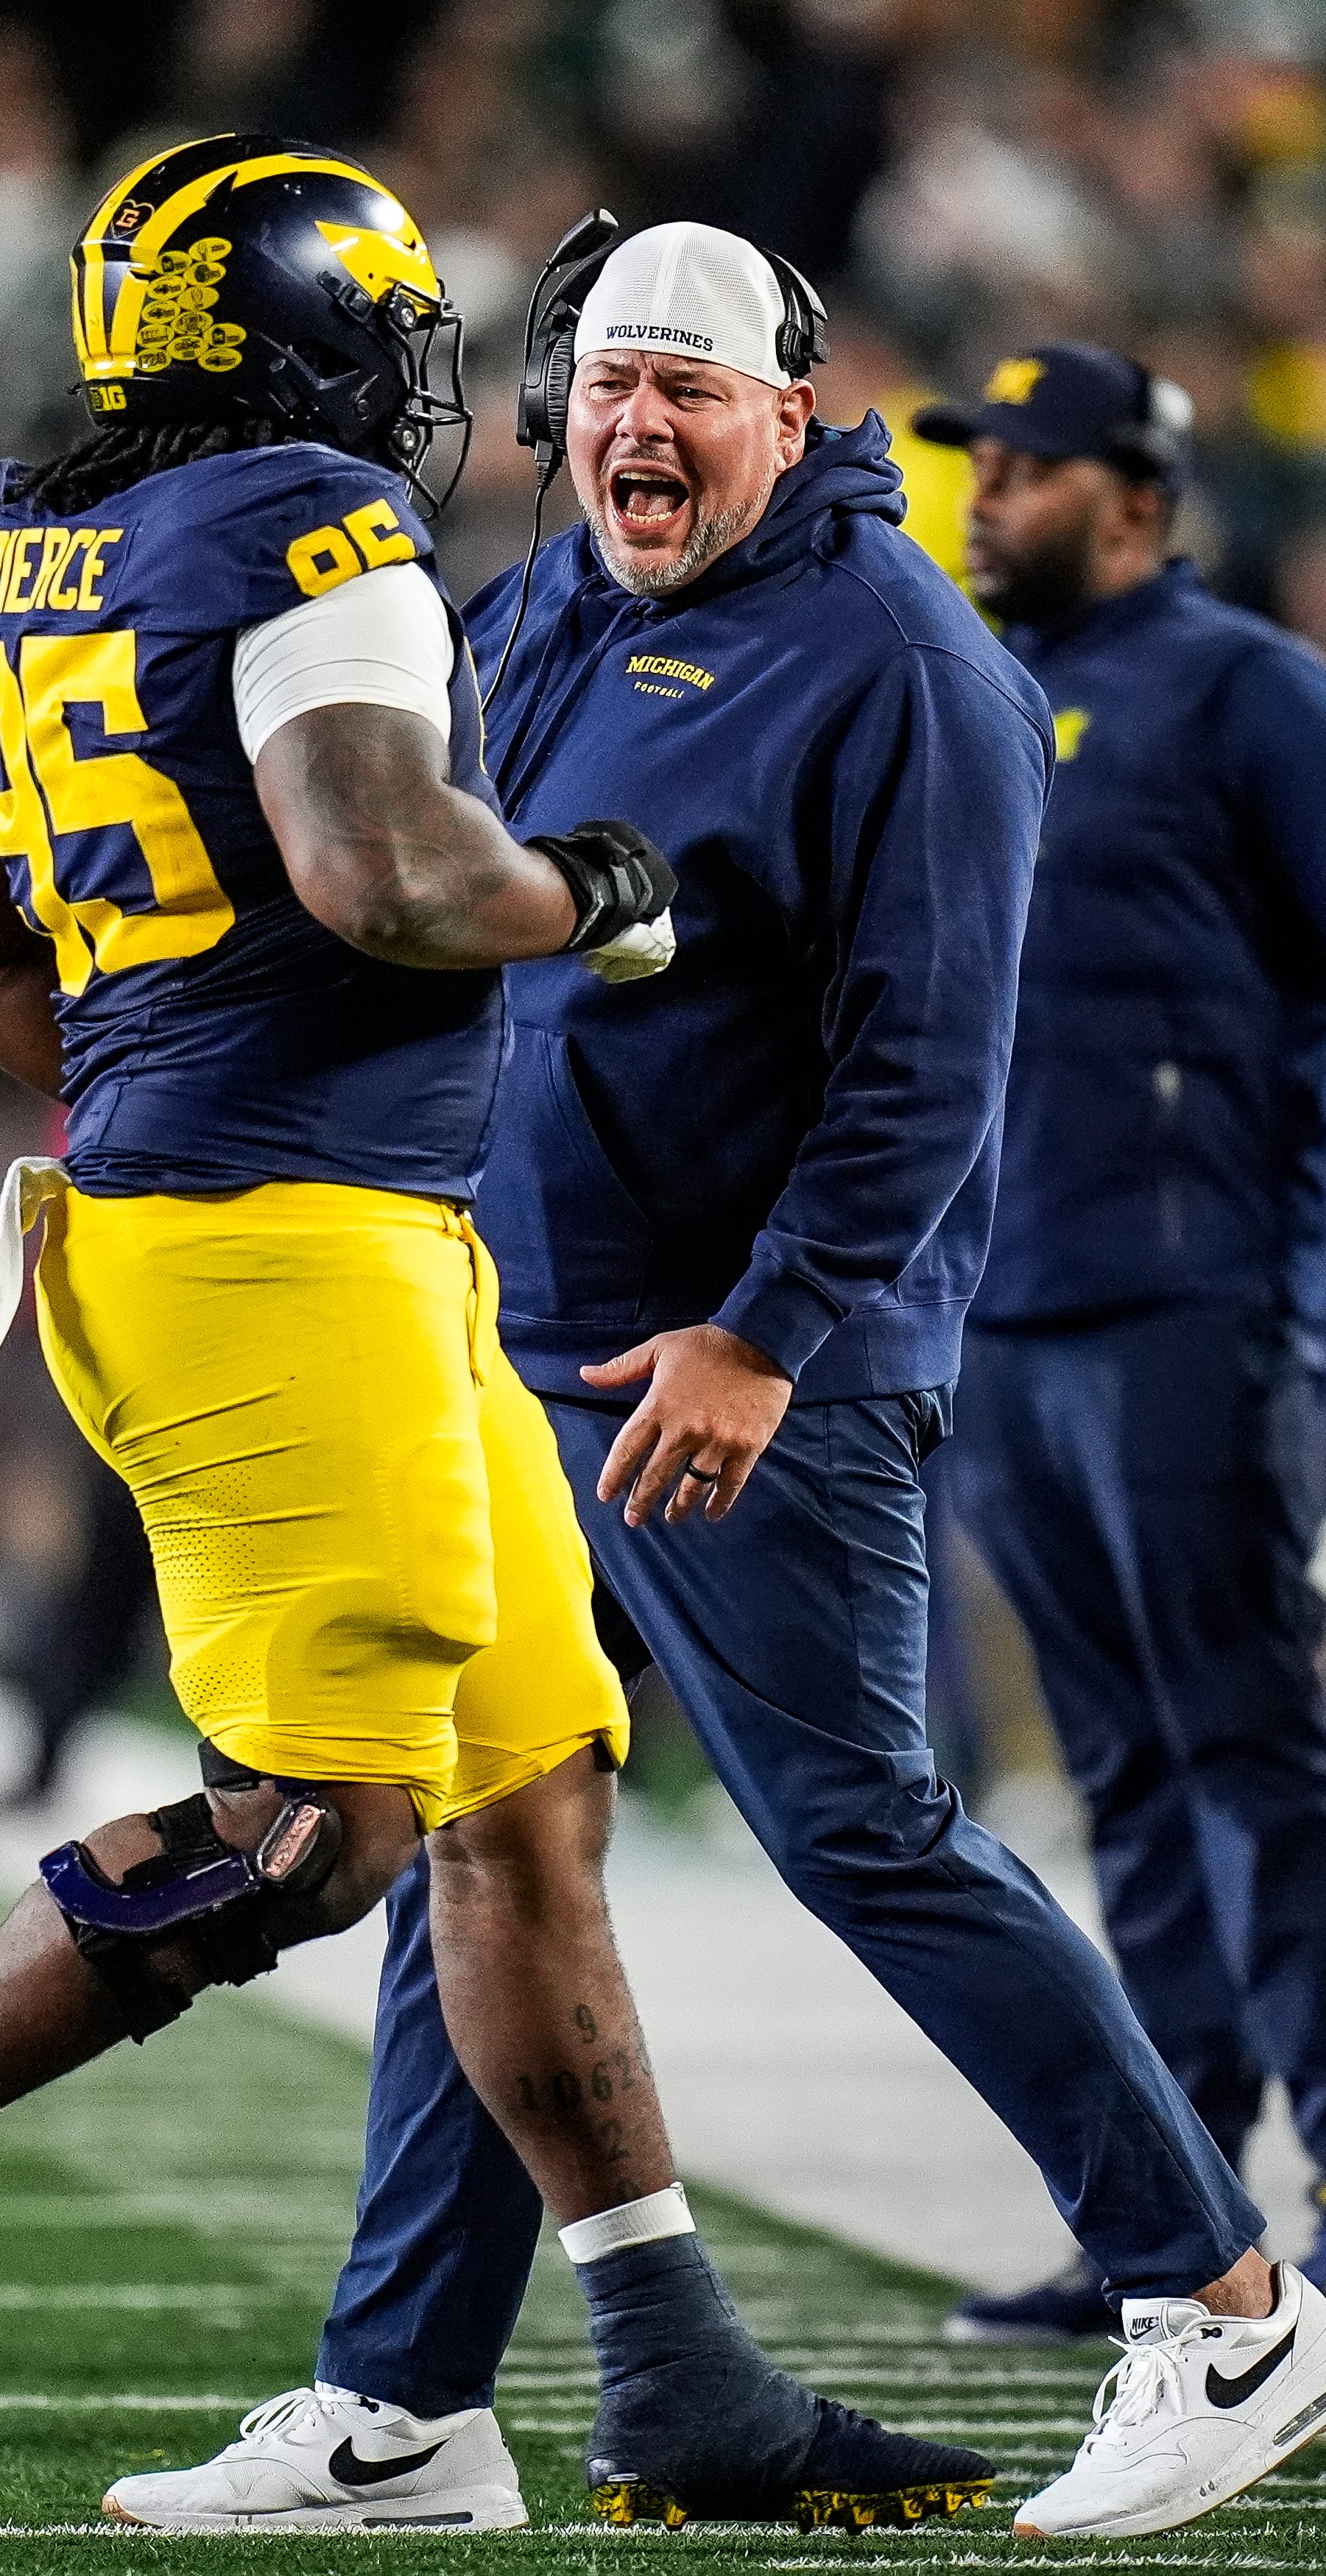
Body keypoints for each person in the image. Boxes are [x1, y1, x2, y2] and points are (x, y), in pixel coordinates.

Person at [0, 141, 992, 2541]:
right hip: (288, 1251)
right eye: (386, 331)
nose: (414, 387)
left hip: (295, 1228)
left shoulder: (26, 535)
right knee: (322, 1829)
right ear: (298, 329)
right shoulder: (305, 524)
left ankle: (672, 2369)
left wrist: (162, 1083)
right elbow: (383, 867)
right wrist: (587, 894)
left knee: (525, 1791)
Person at [138, 229, 1326, 2547]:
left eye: (687, 390)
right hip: (530, 1336)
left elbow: (933, 1067)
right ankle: (406, 2401)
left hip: (732, 1368)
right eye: (603, 386)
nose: (637, 429)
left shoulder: (906, 662)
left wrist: (772, 1332)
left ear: (795, 409)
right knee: (480, 1854)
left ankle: (1226, 2299)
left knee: (864, 1826)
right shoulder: (556, 595)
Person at [902, 345, 1326, 2347]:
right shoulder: (979, 691)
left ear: (1138, 491)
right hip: (1016, 1308)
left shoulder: (1247, 688)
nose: (987, 491)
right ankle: (1182, 2214)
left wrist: (1300, 1288)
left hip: (1192, 1299)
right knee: (1130, 1782)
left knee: (1251, 1757)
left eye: (1028, 464)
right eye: (979, 461)